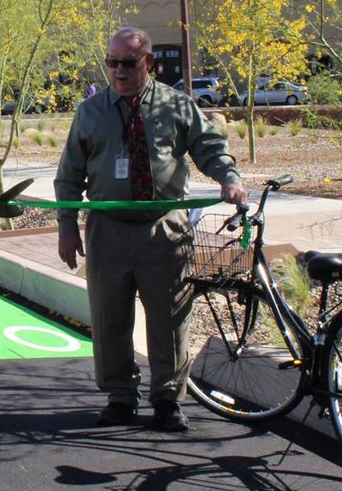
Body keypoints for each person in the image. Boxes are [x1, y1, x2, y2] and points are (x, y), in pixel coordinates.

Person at [54, 27, 248, 432]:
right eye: (112, 63)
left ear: (148, 64)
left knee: (170, 318)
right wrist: (67, 228)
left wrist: (227, 178)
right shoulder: (89, 112)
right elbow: (69, 175)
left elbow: (210, 147)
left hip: (164, 230)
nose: (118, 71)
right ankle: (120, 396)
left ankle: (168, 398)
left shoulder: (176, 106)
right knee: (110, 319)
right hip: (108, 231)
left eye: (128, 63)